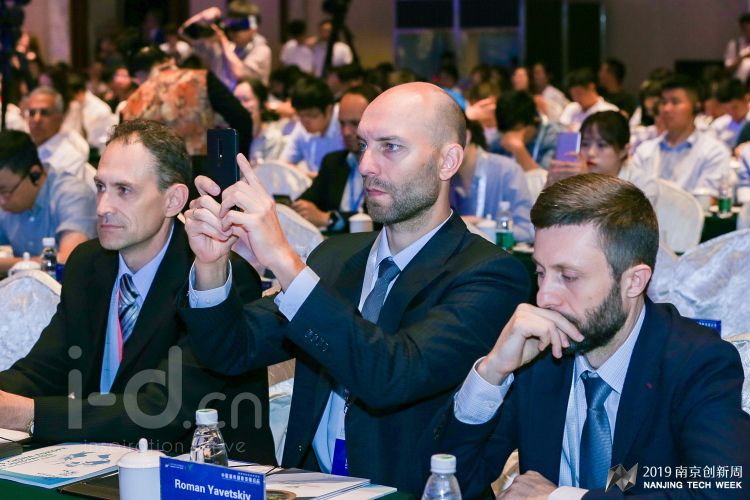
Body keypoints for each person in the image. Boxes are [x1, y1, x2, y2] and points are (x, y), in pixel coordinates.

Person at [180, 82, 530, 493]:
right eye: (363, 145)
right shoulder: (336, 257)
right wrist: (211, 264)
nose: (366, 165)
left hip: (406, 492)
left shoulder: (488, 274)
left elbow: (391, 375)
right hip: (311, 484)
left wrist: (284, 260)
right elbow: (230, 350)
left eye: (390, 147)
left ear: (447, 161)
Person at [433, 173, 750, 498]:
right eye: (540, 272)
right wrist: (492, 371)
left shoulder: (695, 361)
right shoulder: (538, 353)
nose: (544, 297)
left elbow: (725, 490)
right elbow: (451, 480)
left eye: (568, 276)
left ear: (634, 281)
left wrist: (561, 497)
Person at [0, 120, 275, 462]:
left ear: (173, 200)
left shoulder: (215, 277)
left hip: (201, 470)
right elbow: (43, 370)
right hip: (96, 461)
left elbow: (161, 409)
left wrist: (25, 413)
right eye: (100, 187)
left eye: (124, 190)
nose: (102, 207)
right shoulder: (89, 263)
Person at [121, 46, 253, 157]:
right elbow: (242, 119)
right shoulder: (200, 79)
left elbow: (124, 149)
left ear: (137, 76)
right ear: (170, 60)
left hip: (158, 175)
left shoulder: (132, 102)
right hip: (204, 170)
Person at [0, 130, 95, 273]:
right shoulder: (9, 196)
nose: (1, 201)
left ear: (35, 174)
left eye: (4, 191)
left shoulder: (73, 195)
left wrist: (4, 265)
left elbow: (68, 260)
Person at [292, 85, 379, 232]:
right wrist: (295, 207)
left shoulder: (389, 167)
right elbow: (306, 202)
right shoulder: (333, 162)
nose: (346, 132)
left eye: (355, 123)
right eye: (342, 123)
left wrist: (329, 218)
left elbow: (380, 222)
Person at [631, 75, 731, 196]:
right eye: (663, 102)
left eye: (675, 102)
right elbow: (632, 198)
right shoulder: (645, 151)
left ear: (696, 106)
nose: (666, 109)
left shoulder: (714, 152)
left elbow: (706, 201)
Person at [547, 111, 658, 204]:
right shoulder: (570, 175)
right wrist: (551, 188)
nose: (591, 153)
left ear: (624, 151)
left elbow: (614, 222)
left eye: (602, 145)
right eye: (585, 144)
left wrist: (585, 184)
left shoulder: (643, 186)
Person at [451, 119, 534, 243]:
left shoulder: (506, 171)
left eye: (445, 142)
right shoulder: (443, 177)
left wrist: (484, 225)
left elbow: (527, 231)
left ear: (466, 137)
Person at [180, 1, 272, 87]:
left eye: (240, 26)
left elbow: (240, 73)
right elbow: (183, 33)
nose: (234, 31)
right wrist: (202, 16)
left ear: (253, 28)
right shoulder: (221, 45)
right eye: (232, 25)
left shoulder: (261, 50)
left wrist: (223, 41)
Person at [279, 75, 344, 174]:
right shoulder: (301, 126)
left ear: (329, 110)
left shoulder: (344, 124)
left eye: (311, 115)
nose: (305, 121)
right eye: (300, 115)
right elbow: (284, 163)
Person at [25, 86, 90, 182]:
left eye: (44, 113)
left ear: (60, 117)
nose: (36, 119)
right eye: (32, 113)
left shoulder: (70, 157)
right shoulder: (23, 149)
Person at [496, 90, 560, 171]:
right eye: (505, 132)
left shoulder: (556, 137)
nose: (510, 137)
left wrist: (519, 150)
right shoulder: (499, 138)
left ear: (533, 120)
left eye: (516, 130)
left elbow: (548, 178)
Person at [233, 77, 288, 162]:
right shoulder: (231, 137)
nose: (240, 106)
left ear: (261, 103)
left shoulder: (272, 138)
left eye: (246, 100)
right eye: (236, 101)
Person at [710, 78, 750, 149]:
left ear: (746, 99)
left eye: (735, 107)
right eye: (726, 109)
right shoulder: (720, 124)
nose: (731, 113)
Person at [724, 12, 750, 84]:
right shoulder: (734, 45)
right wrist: (742, 58)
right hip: (739, 83)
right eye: (747, 30)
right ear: (742, 28)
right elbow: (728, 69)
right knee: (746, 64)